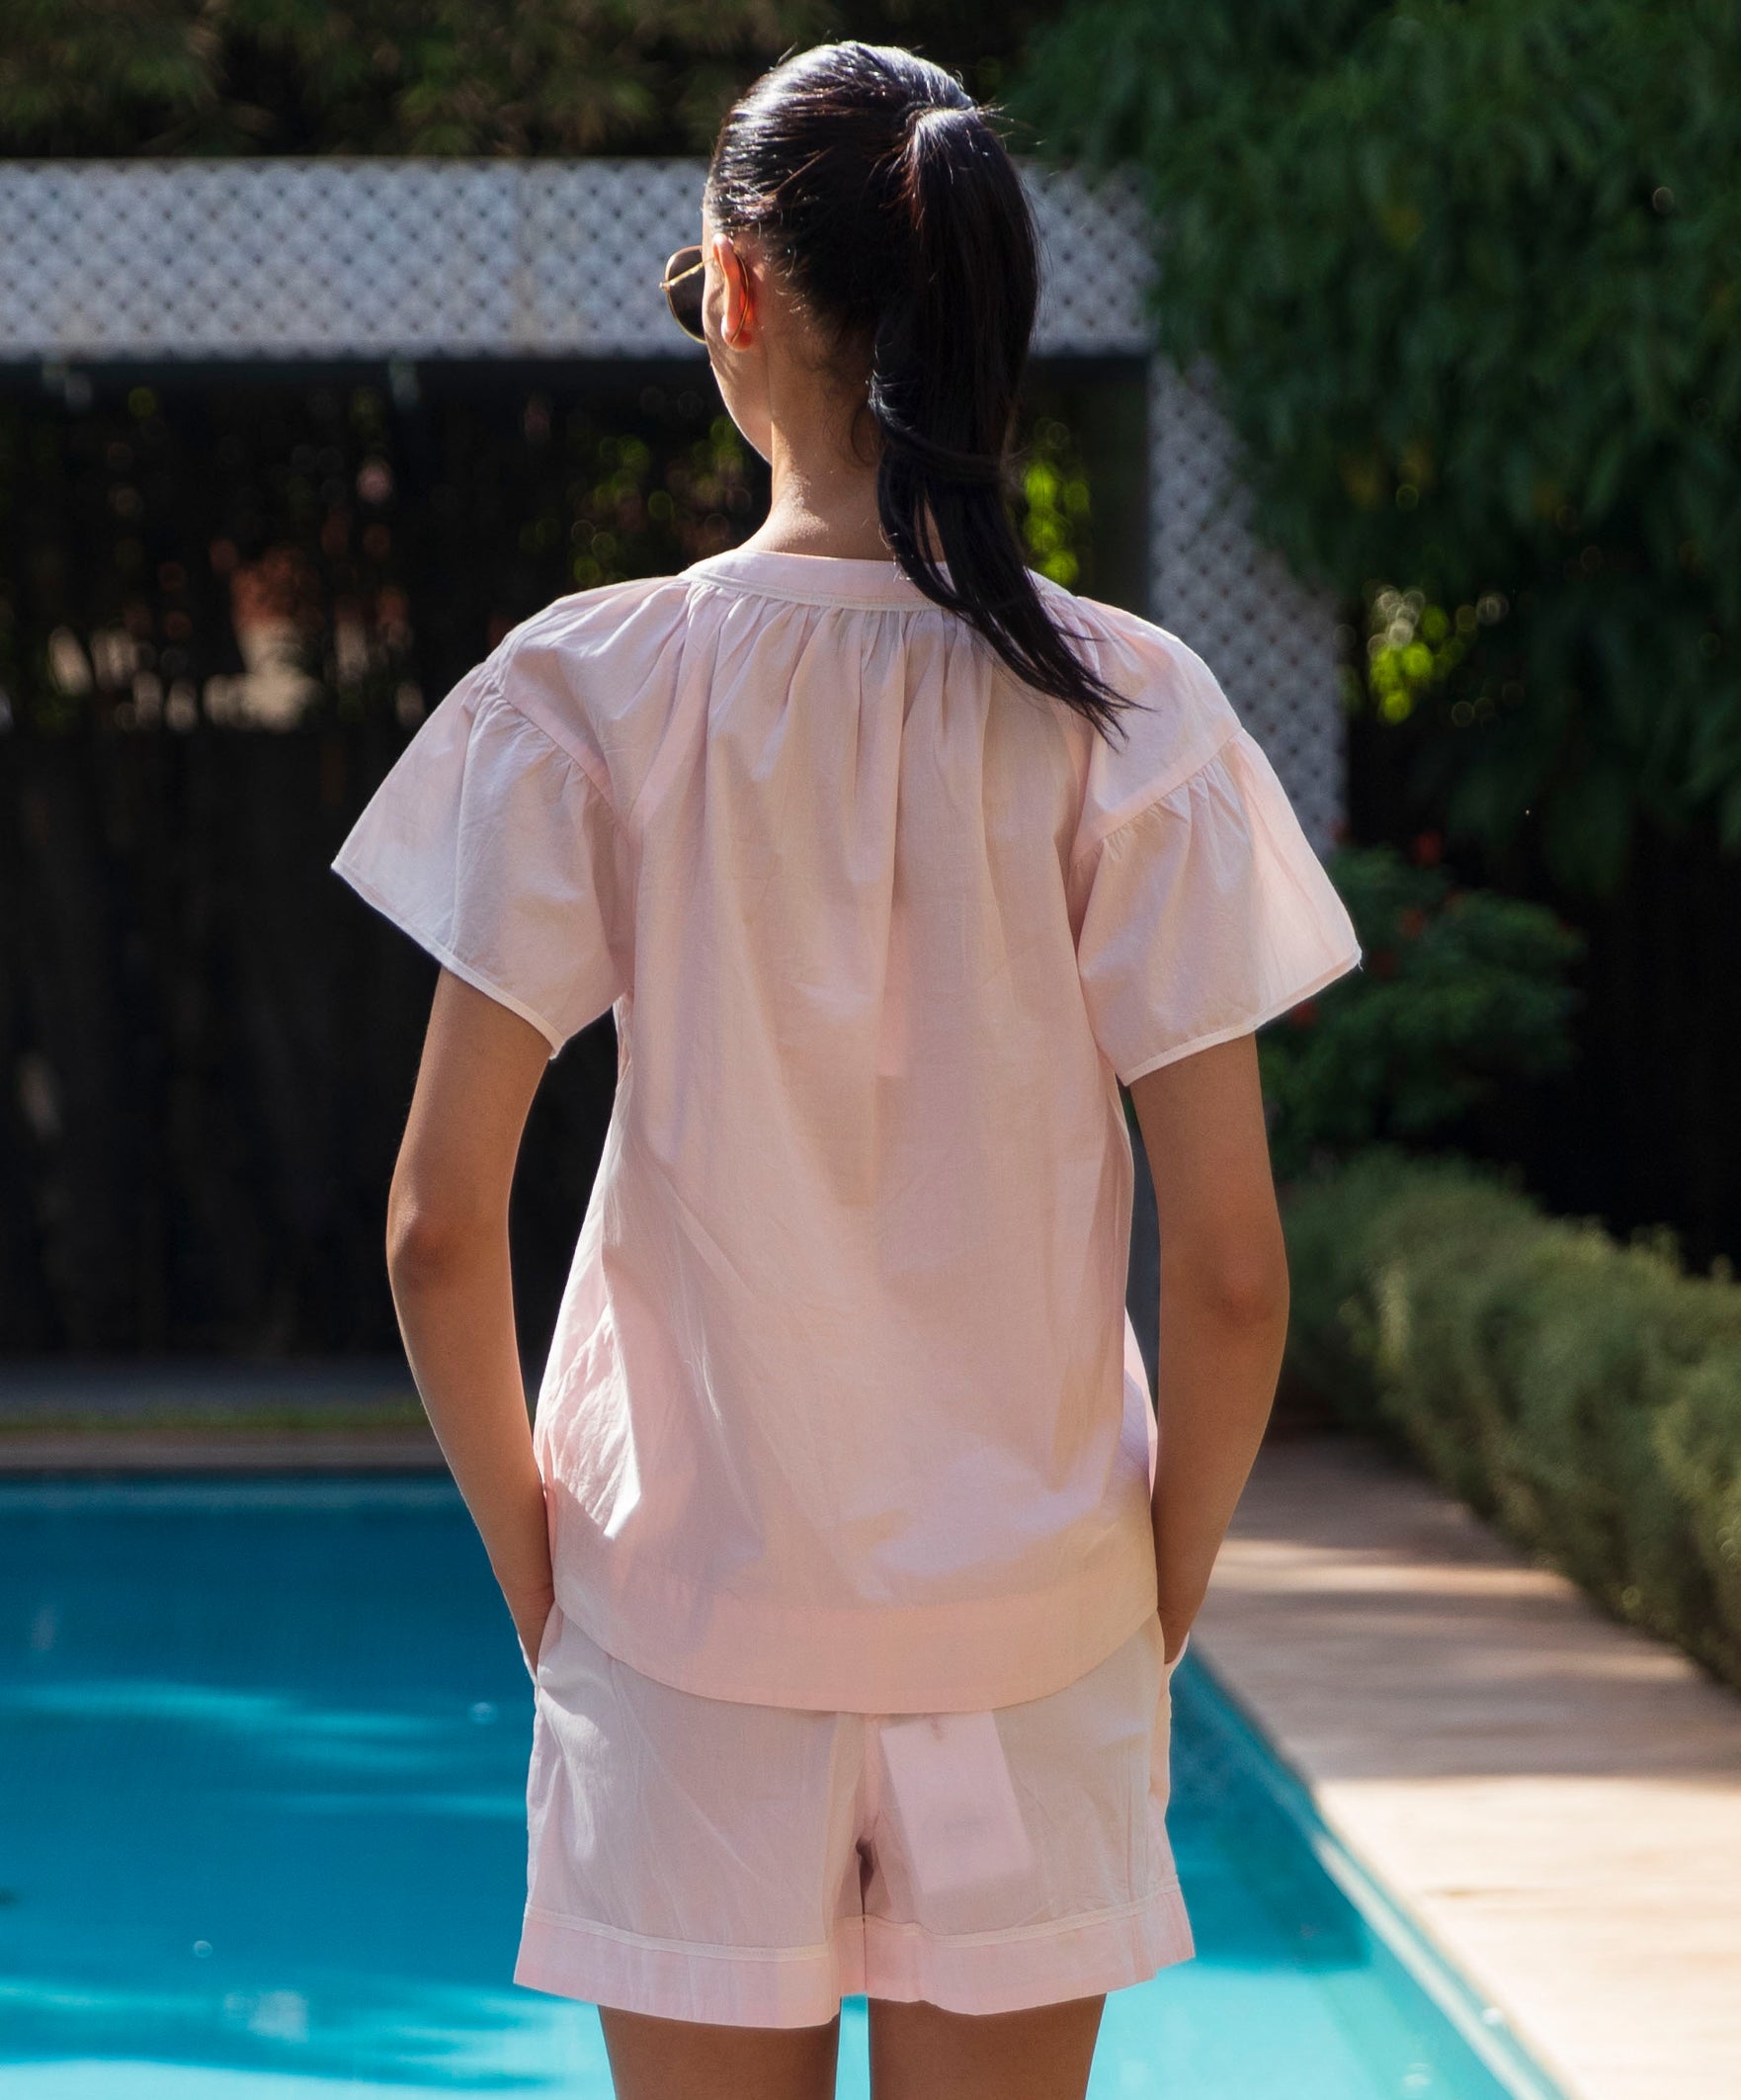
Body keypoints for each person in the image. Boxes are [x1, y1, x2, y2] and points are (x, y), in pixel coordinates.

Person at [330, 39, 1363, 2100]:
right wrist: (1135, 1615)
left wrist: (558, 1599)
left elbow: (443, 1225)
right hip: (1033, 1631)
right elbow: (1234, 1271)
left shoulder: (585, 692)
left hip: (686, 1636)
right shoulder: (1128, 716)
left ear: (728, 291)